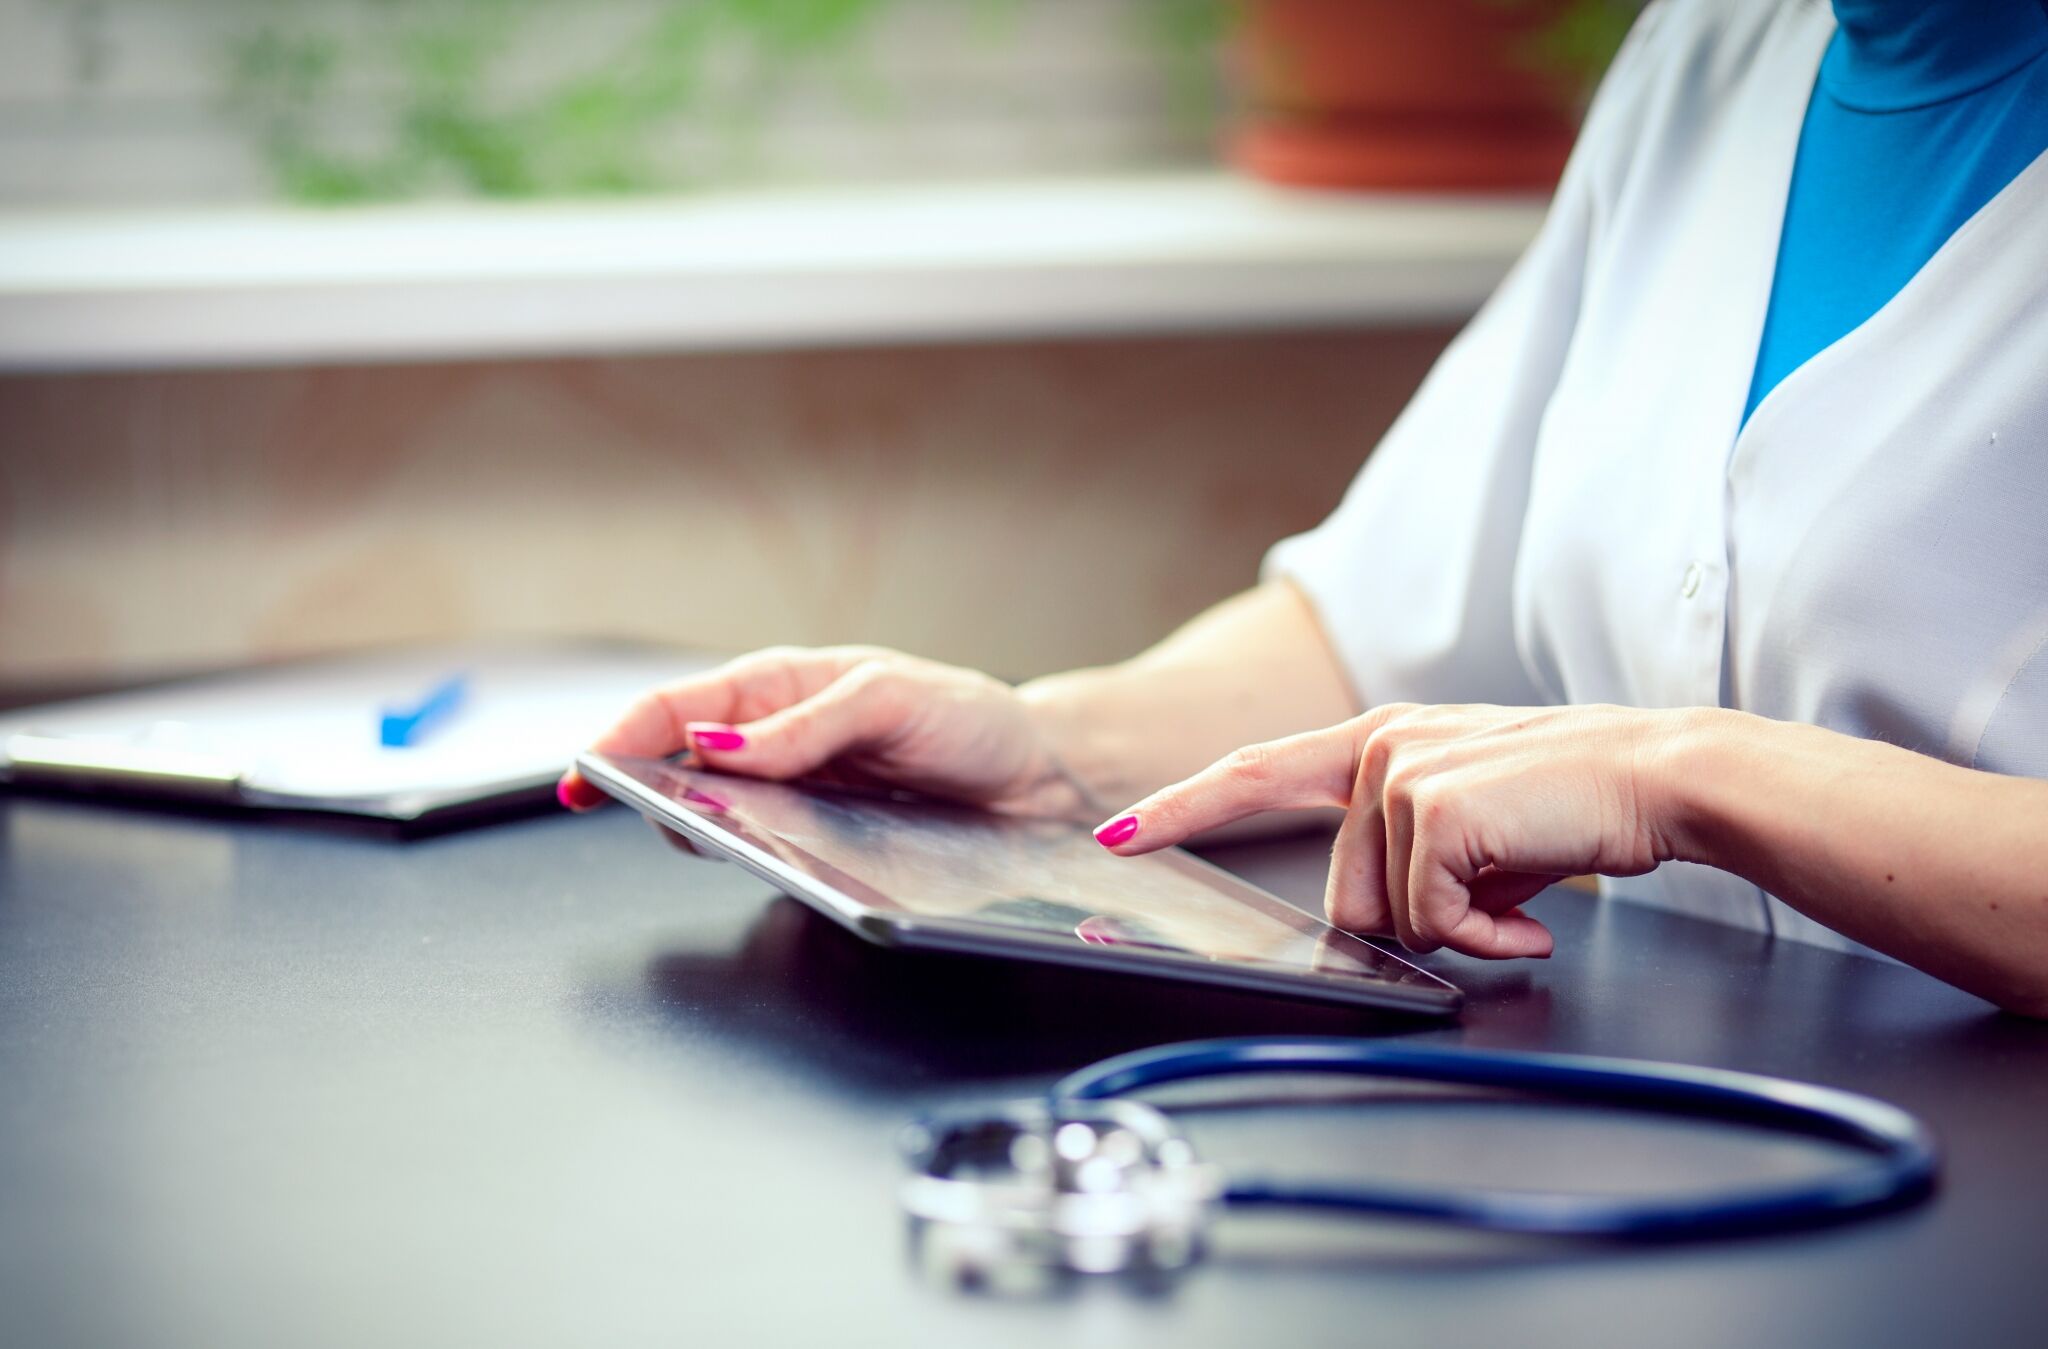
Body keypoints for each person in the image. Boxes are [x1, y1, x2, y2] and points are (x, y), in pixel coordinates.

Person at [560, 0, 2048, 1015]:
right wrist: (1049, 750)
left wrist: (1685, 773)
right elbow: (1390, 631)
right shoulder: (1718, 50)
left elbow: (1637, 761)